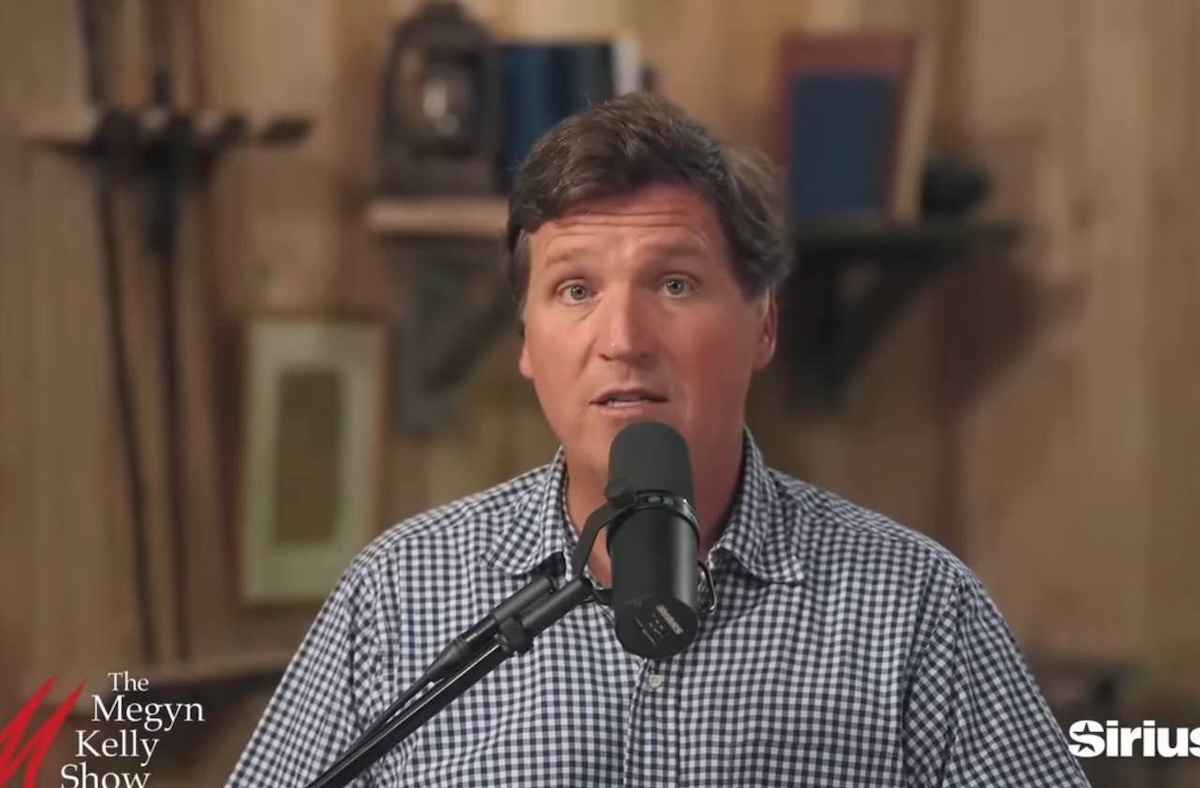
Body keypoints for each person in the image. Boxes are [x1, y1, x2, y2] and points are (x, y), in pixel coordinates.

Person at [226, 92, 1090, 787]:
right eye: (575, 291)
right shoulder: (398, 597)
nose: (624, 339)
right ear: (527, 341)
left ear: (762, 322)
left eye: (674, 284)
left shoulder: (918, 611)